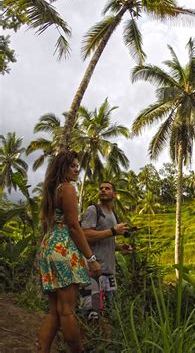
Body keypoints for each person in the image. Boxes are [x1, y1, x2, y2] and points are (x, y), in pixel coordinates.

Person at [36, 151, 101, 353]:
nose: (77, 169)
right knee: (67, 311)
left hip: (49, 245)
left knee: (55, 311)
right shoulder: (68, 189)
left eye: (77, 166)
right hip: (63, 247)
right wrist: (91, 258)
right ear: (63, 167)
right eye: (72, 166)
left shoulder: (52, 190)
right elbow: (74, 226)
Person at [79, 181, 132, 328]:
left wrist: (120, 247)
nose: (103, 190)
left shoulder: (113, 214)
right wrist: (113, 231)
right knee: (93, 313)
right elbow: (85, 235)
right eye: (101, 188)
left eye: (107, 188)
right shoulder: (92, 210)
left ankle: (106, 344)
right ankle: (90, 345)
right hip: (94, 272)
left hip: (109, 272)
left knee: (109, 313)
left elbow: (104, 239)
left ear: (114, 194)